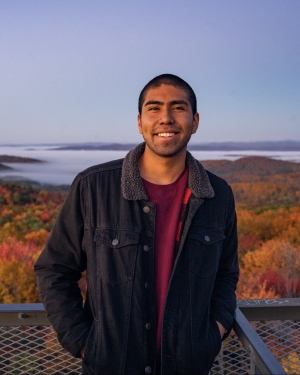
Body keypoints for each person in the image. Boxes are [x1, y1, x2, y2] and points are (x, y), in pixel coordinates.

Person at [34, 74, 239, 375]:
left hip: (189, 366)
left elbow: (226, 274)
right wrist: (83, 343)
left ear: (194, 121)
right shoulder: (93, 187)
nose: (166, 118)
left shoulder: (217, 195)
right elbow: (54, 270)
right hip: (111, 367)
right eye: (154, 108)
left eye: (178, 108)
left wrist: (215, 331)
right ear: (140, 121)